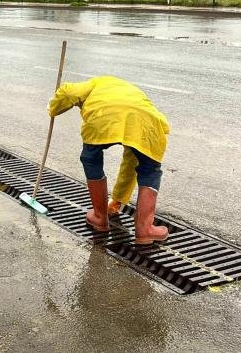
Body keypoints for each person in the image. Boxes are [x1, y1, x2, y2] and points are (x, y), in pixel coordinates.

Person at [47, 76, 171, 245]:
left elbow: (68, 91)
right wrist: (117, 201)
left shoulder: (95, 83)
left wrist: (53, 109)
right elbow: (130, 164)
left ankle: (99, 218)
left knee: (91, 158)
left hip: (103, 118)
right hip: (148, 124)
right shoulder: (130, 91)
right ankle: (145, 230)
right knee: (149, 170)